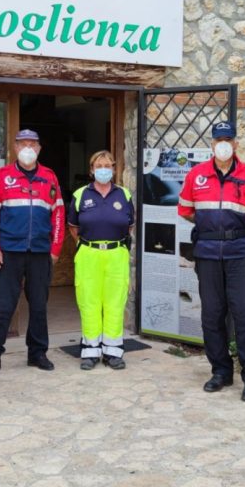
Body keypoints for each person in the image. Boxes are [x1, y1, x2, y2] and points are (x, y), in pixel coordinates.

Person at [178, 120, 245, 402]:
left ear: (235, 144)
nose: (223, 143)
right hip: (207, 254)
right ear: (212, 144)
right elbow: (185, 210)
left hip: (242, 254)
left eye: (227, 139)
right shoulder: (197, 175)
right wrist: (212, 227)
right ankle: (220, 371)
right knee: (211, 316)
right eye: (218, 139)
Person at [0, 129, 66, 376]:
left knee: (39, 306)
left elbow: (58, 213)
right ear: (15, 148)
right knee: (2, 306)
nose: (28, 148)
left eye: (33, 144)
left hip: (40, 252)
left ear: (39, 148)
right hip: (9, 252)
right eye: (22, 144)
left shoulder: (49, 177)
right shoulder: (2, 175)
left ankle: (37, 353)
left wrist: (56, 248)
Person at [67, 150, 135, 370]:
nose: (103, 170)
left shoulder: (124, 195)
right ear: (91, 170)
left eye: (108, 166)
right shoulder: (80, 195)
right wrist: (89, 245)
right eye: (99, 166)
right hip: (89, 254)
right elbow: (73, 227)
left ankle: (113, 352)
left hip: (116, 254)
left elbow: (130, 225)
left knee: (115, 302)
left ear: (114, 169)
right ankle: (90, 351)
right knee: (89, 302)